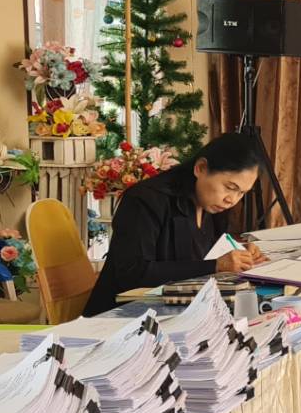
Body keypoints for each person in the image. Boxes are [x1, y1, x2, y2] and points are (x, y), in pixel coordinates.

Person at [85, 134, 267, 316]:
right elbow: (133, 274)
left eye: (241, 193)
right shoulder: (144, 200)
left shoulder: (213, 206)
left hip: (180, 311)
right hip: (122, 316)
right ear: (201, 168)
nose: (232, 200)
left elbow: (205, 254)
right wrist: (216, 265)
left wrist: (239, 252)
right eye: (230, 187)